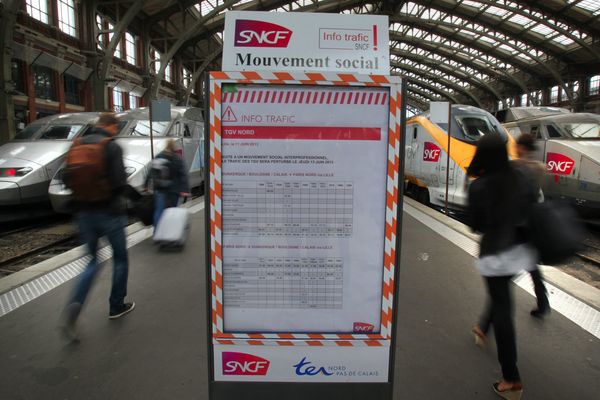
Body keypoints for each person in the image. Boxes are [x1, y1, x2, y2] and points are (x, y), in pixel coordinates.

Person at [467, 134, 538, 400]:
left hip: (495, 254)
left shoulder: (480, 185)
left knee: (503, 310)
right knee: (501, 301)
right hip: (519, 252)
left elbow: (475, 225)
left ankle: (512, 379)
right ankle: (482, 327)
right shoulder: (520, 176)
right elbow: (532, 208)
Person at [61, 112, 135, 340]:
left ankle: (75, 304)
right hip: (110, 213)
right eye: (117, 127)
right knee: (120, 258)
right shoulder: (112, 147)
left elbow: (66, 178)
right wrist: (138, 200)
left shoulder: (77, 144)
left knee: (92, 261)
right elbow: (120, 183)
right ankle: (116, 306)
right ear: (111, 126)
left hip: (83, 213)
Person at [513, 133, 550, 318]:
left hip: (517, 224)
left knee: (505, 270)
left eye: (517, 145)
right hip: (532, 222)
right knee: (532, 266)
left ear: (522, 148)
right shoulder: (540, 168)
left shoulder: (516, 166)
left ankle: (490, 318)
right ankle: (543, 303)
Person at [146, 138, 190, 228]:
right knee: (172, 211)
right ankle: (170, 232)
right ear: (174, 147)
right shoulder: (177, 158)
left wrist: (146, 184)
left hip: (160, 188)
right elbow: (183, 175)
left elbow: (151, 171)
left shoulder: (159, 156)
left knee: (159, 210)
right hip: (174, 190)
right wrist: (185, 190)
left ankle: (157, 232)